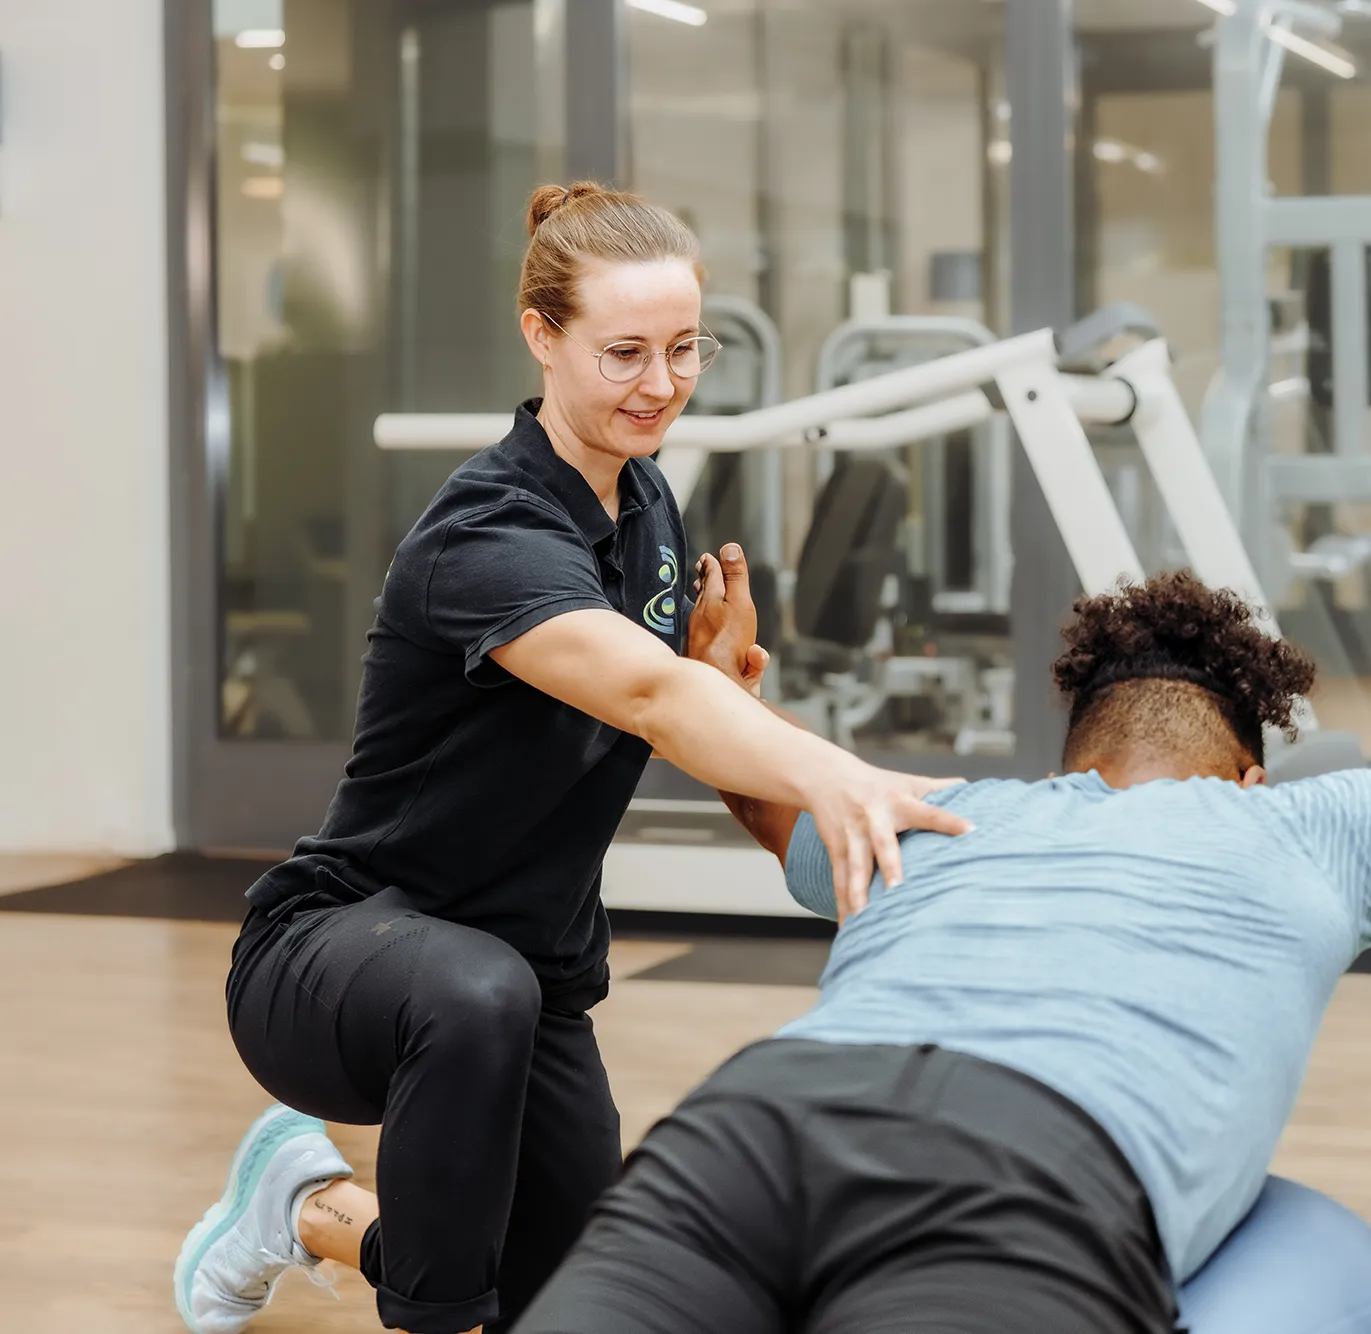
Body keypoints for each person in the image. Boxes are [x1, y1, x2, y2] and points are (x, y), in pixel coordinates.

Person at [511, 538, 1371, 1334]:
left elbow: (772, 802)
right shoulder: (1303, 828)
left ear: (1072, 753)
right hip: (1020, 1172)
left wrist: (731, 689)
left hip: (749, 1121)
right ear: (1247, 769)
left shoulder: (940, 814)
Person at [174, 182, 968, 1334]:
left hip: (527, 980)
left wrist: (733, 693)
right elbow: (648, 691)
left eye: (684, 350)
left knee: (561, 1296)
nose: (661, 384)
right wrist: (836, 768)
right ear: (540, 335)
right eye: (626, 353)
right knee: (472, 1005)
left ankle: (303, 1208)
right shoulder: (484, 533)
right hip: (339, 953)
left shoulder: (646, 502)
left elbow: (674, 696)